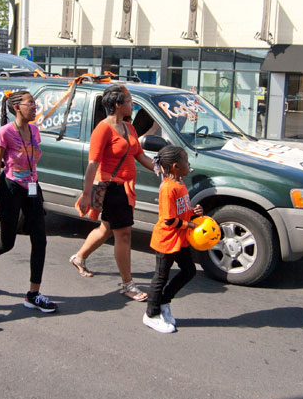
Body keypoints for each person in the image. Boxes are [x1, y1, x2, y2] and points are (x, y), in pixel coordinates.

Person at [0, 90, 57, 313]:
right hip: (11, 189)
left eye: (35, 104)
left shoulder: (34, 131)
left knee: (40, 240)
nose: (35, 107)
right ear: (17, 107)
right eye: (31, 103)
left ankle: (33, 294)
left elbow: (32, 160)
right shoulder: (5, 132)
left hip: (32, 189)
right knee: (7, 242)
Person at [70, 84, 156, 302]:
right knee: (124, 234)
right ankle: (127, 284)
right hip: (111, 188)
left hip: (125, 189)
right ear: (118, 105)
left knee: (107, 228)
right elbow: (92, 164)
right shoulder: (103, 129)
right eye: (129, 101)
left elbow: (140, 155)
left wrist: (161, 170)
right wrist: (86, 194)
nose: (132, 104)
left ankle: (79, 257)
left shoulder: (129, 128)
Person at [143, 145, 203, 333]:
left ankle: (164, 302)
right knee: (160, 277)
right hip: (167, 240)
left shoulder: (180, 182)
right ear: (176, 166)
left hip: (180, 238)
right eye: (186, 161)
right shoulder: (168, 188)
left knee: (189, 271)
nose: (189, 164)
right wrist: (189, 225)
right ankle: (151, 315)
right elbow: (168, 219)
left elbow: (181, 211)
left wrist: (193, 212)